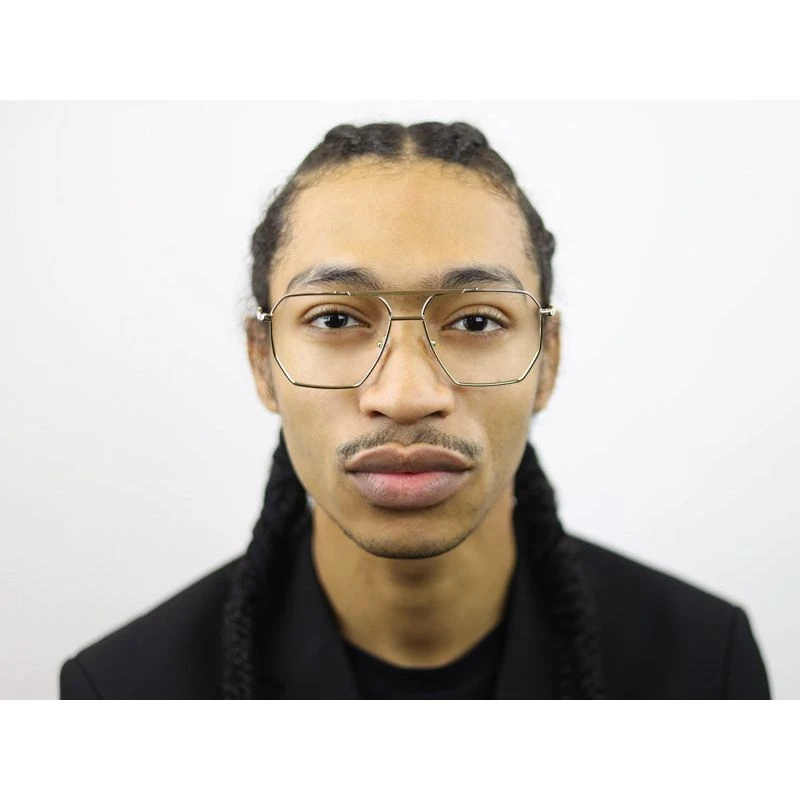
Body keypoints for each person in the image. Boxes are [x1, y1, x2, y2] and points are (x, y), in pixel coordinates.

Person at [59, 120, 771, 699]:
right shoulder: (124, 692)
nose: (405, 397)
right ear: (262, 361)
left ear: (547, 357)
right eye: (336, 320)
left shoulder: (703, 666)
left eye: (476, 321)